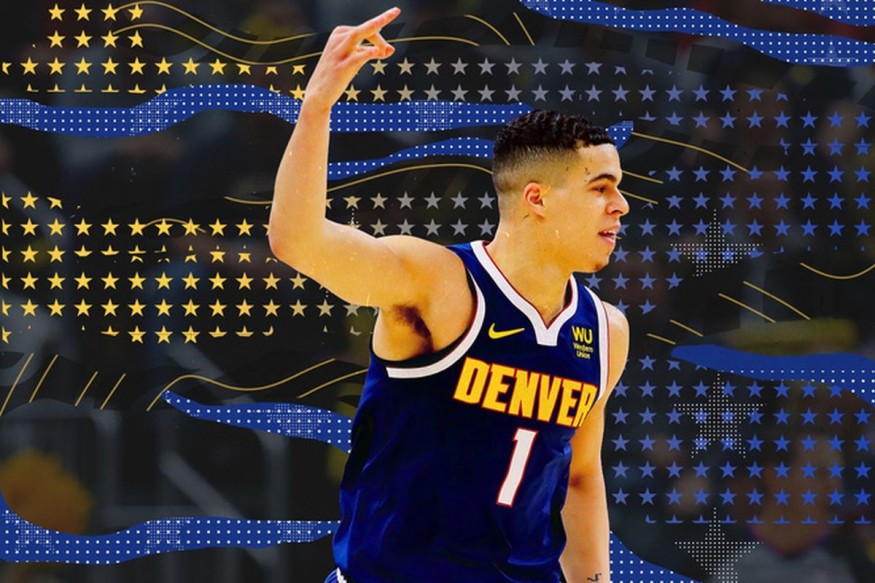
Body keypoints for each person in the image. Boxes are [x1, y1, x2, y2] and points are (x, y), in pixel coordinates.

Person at [268, 7, 630, 582]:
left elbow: (581, 477)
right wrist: (317, 108)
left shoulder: (606, 330)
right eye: (601, 188)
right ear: (537, 199)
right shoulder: (438, 281)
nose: (621, 206)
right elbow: (297, 241)